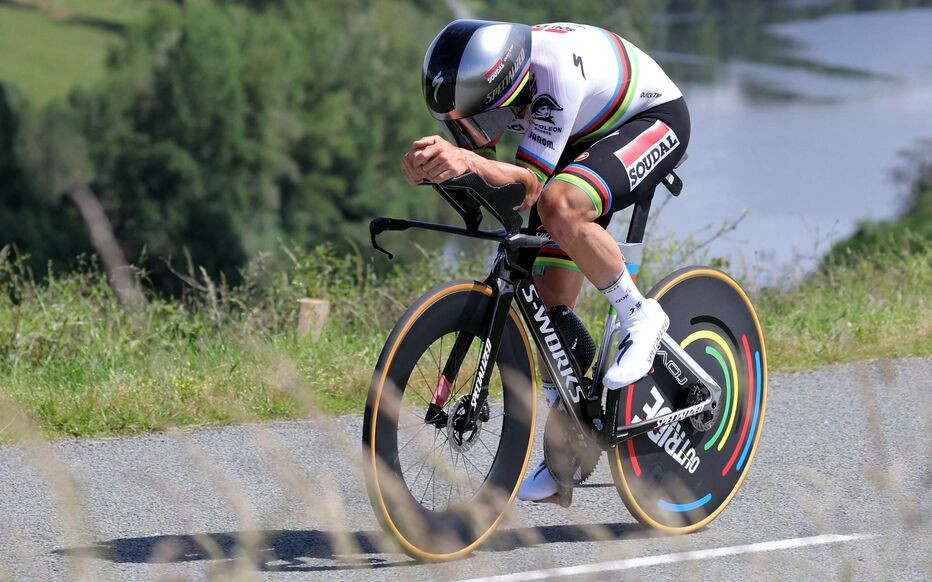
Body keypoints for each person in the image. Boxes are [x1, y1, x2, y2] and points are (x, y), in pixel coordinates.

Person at [401, 20, 690, 505]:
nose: (467, 126)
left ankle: (641, 316)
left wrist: (467, 162)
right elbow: (488, 173)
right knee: (546, 303)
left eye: (471, 116)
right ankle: (568, 442)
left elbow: (531, 187)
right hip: (581, 132)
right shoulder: (483, 83)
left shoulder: (553, 74)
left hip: (649, 118)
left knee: (559, 206)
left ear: (501, 87)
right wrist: (432, 169)